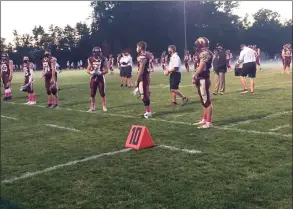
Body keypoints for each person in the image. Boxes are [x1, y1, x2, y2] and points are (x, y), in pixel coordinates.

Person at [192, 37, 214, 129]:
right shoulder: (203, 52)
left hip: (203, 79)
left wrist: (195, 75)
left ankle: (208, 122)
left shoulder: (205, 53)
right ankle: (204, 119)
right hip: (201, 78)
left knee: (207, 101)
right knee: (203, 101)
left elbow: (201, 65)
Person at [86, 46, 109, 112]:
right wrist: (91, 72)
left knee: (102, 92)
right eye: (97, 53)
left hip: (100, 77)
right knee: (92, 93)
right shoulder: (90, 59)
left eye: (98, 53)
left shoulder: (103, 59)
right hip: (93, 77)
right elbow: (87, 70)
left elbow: (107, 70)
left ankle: (104, 106)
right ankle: (92, 106)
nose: (98, 54)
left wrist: (101, 73)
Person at [135, 41, 152, 118]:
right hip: (146, 75)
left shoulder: (142, 56)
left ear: (140, 47)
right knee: (143, 95)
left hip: (144, 76)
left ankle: (148, 112)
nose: (136, 48)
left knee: (144, 96)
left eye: (137, 47)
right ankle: (147, 111)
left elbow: (141, 70)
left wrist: (136, 81)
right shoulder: (147, 54)